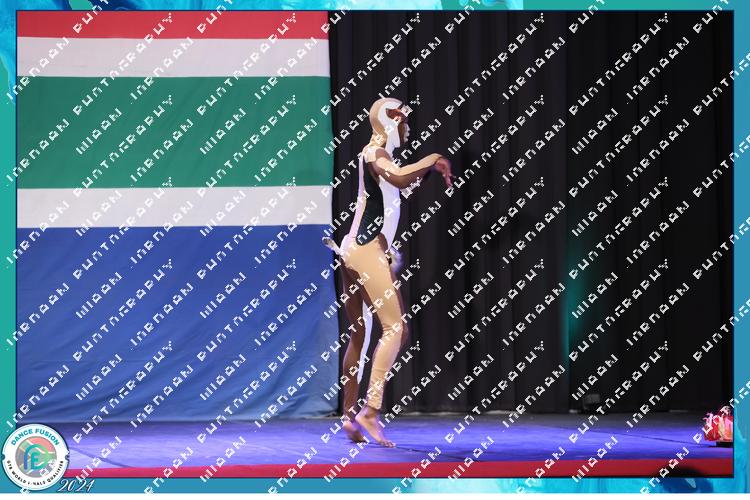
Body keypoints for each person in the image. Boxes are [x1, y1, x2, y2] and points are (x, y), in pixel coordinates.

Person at [323, 97, 453, 447]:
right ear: (391, 120)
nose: (408, 127)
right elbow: (397, 176)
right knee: (395, 328)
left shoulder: (376, 155)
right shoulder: (375, 154)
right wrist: (433, 158)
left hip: (352, 250)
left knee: (359, 333)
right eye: (404, 120)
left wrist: (423, 171)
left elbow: (399, 184)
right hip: (367, 251)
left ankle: (348, 417)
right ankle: (370, 411)